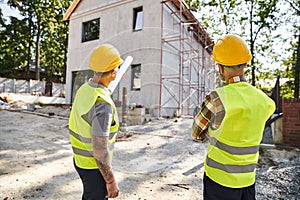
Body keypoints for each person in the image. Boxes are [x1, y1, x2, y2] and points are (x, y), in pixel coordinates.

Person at [191, 34, 276, 200]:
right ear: (245, 64)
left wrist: (211, 133)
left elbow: (196, 133)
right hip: (248, 181)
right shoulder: (265, 101)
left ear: (221, 68)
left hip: (218, 181)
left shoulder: (216, 98)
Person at [68, 44, 123, 199]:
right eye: (117, 68)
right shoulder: (102, 105)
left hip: (80, 161)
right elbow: (100, 149)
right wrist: (110, 180)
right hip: (94, 167)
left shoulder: (85, 89)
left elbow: (99, 90)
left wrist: (108, 83)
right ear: (113, 72)